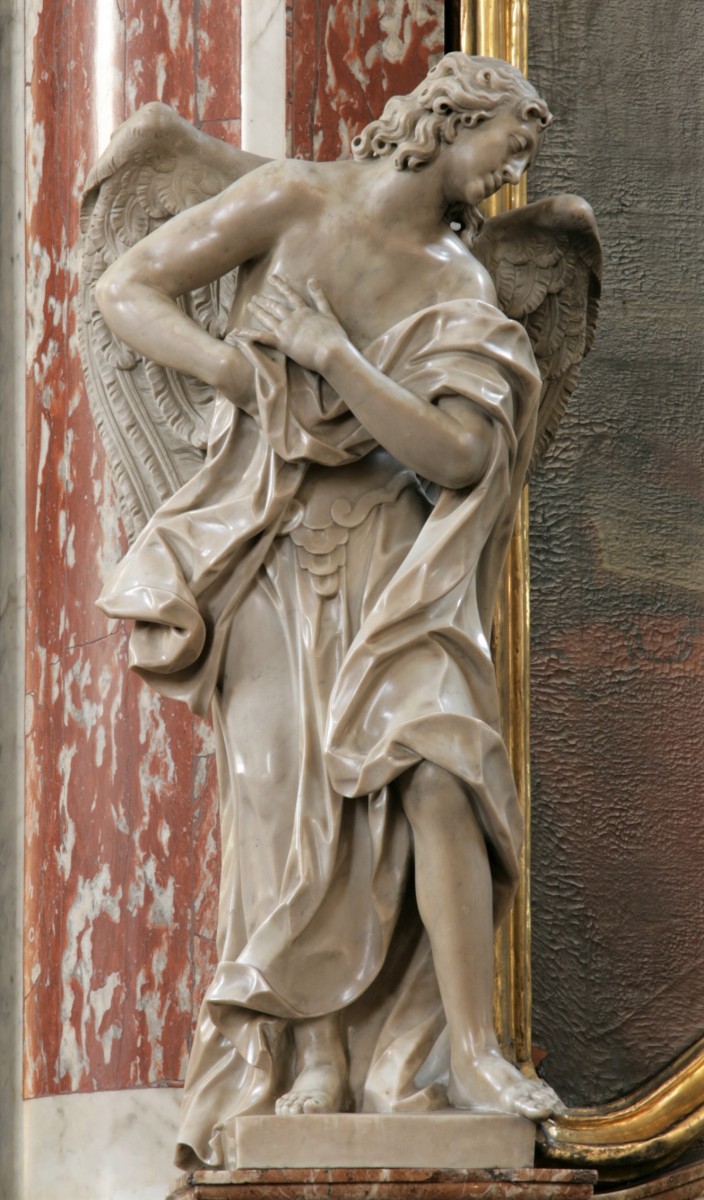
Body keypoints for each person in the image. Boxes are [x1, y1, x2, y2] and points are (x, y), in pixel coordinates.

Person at [95, 53, 560, 1168]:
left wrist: (329, 357)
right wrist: (232, 373)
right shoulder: (293, 197)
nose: (515, 169)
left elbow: (455, 457)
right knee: (277, 799)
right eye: (511, 139)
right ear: (449, 119)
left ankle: (467, 1047)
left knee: (437, 774)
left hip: (399, 566)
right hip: (268, 546)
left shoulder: (462, 287)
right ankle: (306, 1062)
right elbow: (127, 288)